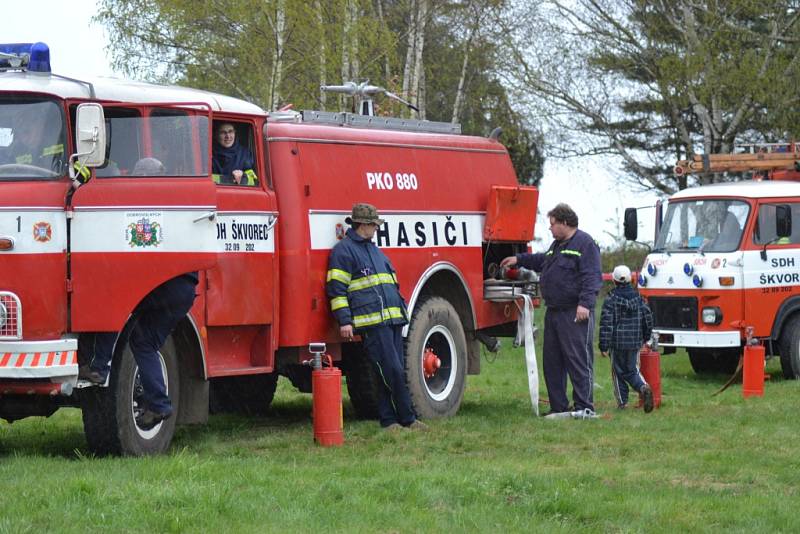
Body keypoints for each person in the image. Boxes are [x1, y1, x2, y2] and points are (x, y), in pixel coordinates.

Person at [326, 203, 427, 432]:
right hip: (371, 322)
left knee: (388, 371)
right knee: (391, 370)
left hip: (391, 321)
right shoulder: (343, 251)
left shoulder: (374, 251)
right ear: (362, 224)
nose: (376, 229)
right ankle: (408, 418)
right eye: (373, 225)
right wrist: (345, 320)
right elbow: (336, 289)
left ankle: (390, 421)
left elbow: (390, 284)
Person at [500, 203, 602, 419]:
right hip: (554, 312)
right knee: (552, 361)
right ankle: (559, 407)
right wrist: (519, 259)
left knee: (578, 360)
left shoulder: (585, 244)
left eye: (553, 224)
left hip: (574, 312)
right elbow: (542, 260)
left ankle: (584, 406)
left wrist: (585, 304)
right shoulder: (556, 246)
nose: (550, 228)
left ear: (565, 222)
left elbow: (592, 276)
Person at [78, 274, 198, 430]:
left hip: (163, 283)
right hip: (185, 290)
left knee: (114, 303)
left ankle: (97, 367)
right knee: (144, 343)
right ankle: (158, 405)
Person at [598, 265, 655, 413]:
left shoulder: (611, 299)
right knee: (632, 370)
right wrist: (646, 337)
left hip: (617, 344)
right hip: (635, 342)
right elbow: (647, 318)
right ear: (630, 279)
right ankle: (643, 387)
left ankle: (622, 403)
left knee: (617, 372)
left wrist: (603, 346)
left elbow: (606, 324)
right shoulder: (639, 298)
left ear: (614, 281)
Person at [211, 122, 257, 186]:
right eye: (223, 132)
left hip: (237, 194)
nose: (228, 136)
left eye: (230, 131)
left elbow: (253, 181)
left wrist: (243, 175)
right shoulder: (209, 153)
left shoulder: (245, 153)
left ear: (235, 133)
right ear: (216, 135)